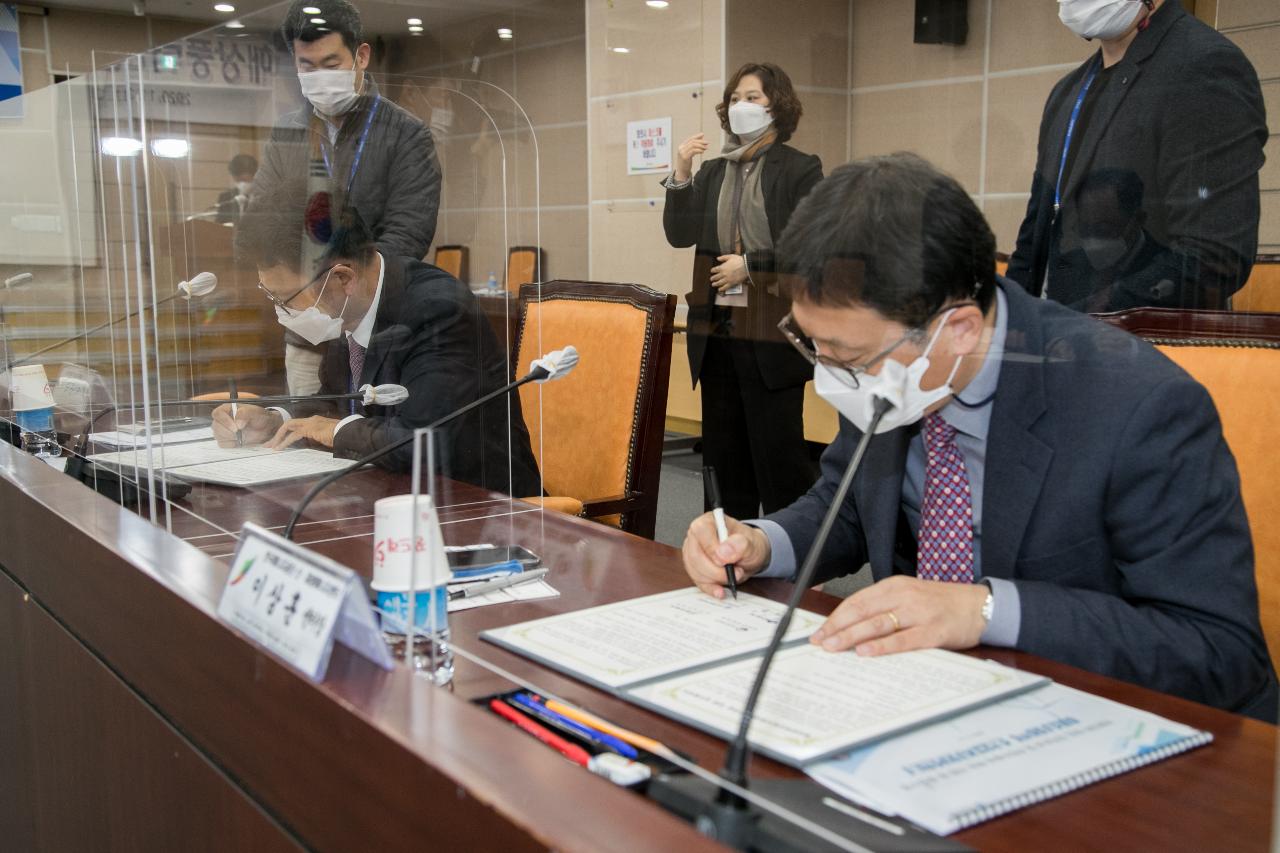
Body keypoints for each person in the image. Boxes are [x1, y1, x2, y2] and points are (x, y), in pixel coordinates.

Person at [681, 152, 1277, 721]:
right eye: (817, 347)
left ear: (959, 329)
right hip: (928, 695)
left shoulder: (1137, 406)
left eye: (852, 358)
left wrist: (984, 610)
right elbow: (850, 507)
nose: (833, 376)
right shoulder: (889, 365)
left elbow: (1215, 650)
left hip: (1109, 724)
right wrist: (761, 544)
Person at [212, 202, 541, 497]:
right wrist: (276, 421)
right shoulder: (347, 308)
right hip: (391, 495)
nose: (282, 312)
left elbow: (423, 441)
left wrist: (339, 431)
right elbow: (333, 403)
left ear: (342, 278)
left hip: (480, 508)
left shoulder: (438, 310)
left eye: (285, 298)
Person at [1005, 0, 1267, 312]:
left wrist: (1080, 322)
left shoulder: (1203, 65)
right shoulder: (1067, 91)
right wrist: (1004, 318)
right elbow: (1034, 237)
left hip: (1148, 347)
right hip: (1058, 346)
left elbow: (1213, 257)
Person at [253, 0, 442, 395]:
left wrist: (345, 295)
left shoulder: (406, 133)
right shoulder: (288, 131)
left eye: (331, 63)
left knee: (365, 441)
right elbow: (264, 220)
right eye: (306, 66)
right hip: (306, 332)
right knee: (302, 437)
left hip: (373, 330)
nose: (318, 76)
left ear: (361, 56)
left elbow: (409, 235)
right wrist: (304, 297)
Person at [663, 62, 821, 521]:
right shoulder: (713, 172)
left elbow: (815, 244)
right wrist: (681, 170)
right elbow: (679, 233)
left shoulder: (799, 169)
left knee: (778, 456)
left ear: (777, 106)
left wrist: (752, 266)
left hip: (772, 331)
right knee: (723, 454)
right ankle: (726, 550)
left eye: (751, 98)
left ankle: (792, 555)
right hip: (718, 331)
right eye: (734, 98)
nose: (740, 107)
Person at [216, 154, 258, 225]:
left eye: (245, 180)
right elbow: (218, 225)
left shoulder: (266, 196)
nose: (242, 184)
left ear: (255, 175)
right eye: (238, 181)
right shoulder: (226, 198)